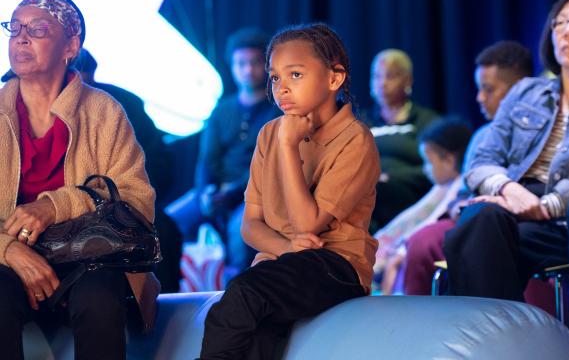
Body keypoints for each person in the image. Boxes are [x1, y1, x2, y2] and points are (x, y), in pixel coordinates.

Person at [199, 23, 380, 359]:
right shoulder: (269, 133)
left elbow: (308, 224)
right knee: (255, 335)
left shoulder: (355, 139)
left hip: (336, 265)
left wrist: (288, 145)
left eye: (295, 75)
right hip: (276, 263)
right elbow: (251, 225)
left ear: (334, 78)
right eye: (275, 77)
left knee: (242, 296)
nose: (281, 88)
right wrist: (285, 247)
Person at [0, 0, 159, 360]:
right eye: (15, 28)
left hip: (89, 259)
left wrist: (55, 206)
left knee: (101, 297)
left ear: (71, 45)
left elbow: (138, 200)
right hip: (10, 261)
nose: (20, 38)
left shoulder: (104, 111)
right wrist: (10, 250)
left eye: (37, 29)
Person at [442, 0, 569, 359]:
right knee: (480, 217)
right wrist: (508, 188)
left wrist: (549, 204)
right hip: (516, 207)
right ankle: (498, 346)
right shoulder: (527, 92)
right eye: (560, 22)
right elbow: (482, 157)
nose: (567, 30)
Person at [400, 41, 533, 295]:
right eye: (479, 89)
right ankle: (418, 327)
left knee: (492, 238)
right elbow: (459, 195)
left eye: (489, 89)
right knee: (421, 242)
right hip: (470, 217)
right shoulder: (482, 136)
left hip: (515, 219)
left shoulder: (541, 131)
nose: (479, 98)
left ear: (519, 90)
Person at [171, 27, 280, 276]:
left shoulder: (277, 110)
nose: (248, 70)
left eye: (254, 63)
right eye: (241, 63)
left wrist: (231, 192)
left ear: (265, 66)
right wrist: (205, 192)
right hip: (217, 191)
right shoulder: (222, 110)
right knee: (168, 223)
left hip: (256, 193)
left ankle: (235, 298)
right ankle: (167, 294)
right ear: (232, 65)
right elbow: (207, 159)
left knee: (240, 231)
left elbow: (269, 163)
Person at [72, 48, 182, 293]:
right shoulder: (32, 108)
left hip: (125, 202)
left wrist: (132, 202)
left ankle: (160, 320)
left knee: (162, 232)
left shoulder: (124, 102)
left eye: (84, 79)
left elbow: (159, 161)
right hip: (64, 210)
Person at [374, 117, 472, 294]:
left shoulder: (460, 186)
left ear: (448, 160)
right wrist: (382, 242)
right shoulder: (442, 187)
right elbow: (412, 216)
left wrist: (401, 249)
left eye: (429, 162)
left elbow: (434, 219)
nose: (426, 169)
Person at [367, 49, 438, 232]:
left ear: (408, 81)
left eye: (390, 76)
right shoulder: (360, 122)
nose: (382, 84)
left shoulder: (427, 122)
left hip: (410, 196)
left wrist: (390, 177)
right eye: (377, 76)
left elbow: (437, 169)